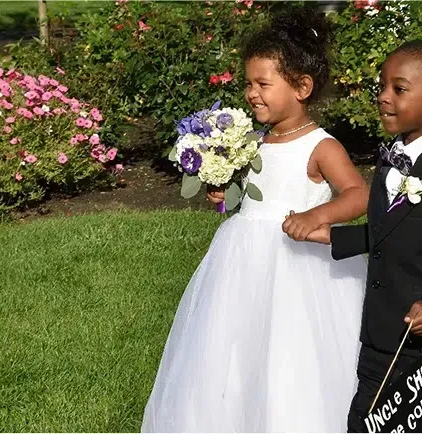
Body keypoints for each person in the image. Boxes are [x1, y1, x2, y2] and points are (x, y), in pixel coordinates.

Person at [141, 9, 369, 432]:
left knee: (290, 351)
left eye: (263, 84)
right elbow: (250, 198)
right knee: (234, 348)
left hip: (300, 269)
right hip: (241, 262)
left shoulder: (321, 146)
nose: (251, 93)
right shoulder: (253, 141)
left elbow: (359, 194)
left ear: (302, 87)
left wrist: (317, 214)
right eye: (248, 83)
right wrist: (223, 194)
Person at [294, 40, 422, 433]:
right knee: (364, 424)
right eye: (382, 86)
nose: (383, 97)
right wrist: (333, 238)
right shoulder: (388, 161)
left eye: (398, 89)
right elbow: (389, 234)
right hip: (380, 337)